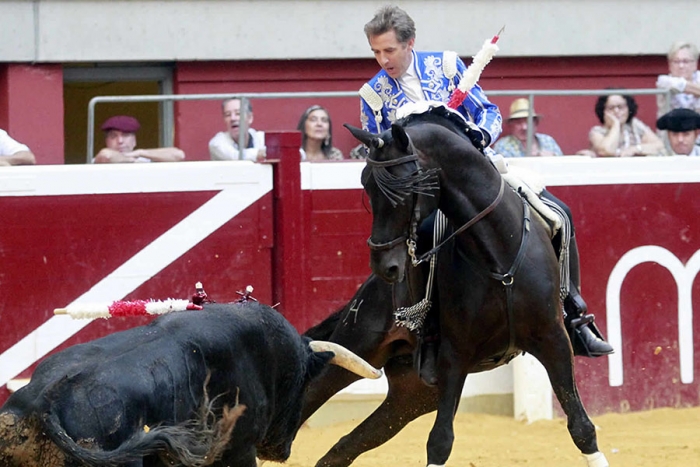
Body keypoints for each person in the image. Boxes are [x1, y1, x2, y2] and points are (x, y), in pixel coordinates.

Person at [360, 5, 612, 386]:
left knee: (558, 215)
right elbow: (381, 153)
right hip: (428, 194)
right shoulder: (373, 94)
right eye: (376, 52)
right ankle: (428, 336)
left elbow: (489, 112)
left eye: (389, 51)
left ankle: (574, 314)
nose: (383, 60)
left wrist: (480, 135)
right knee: (422, 241)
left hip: (476, 177)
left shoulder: (445, 67)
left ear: (410, 43)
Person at [588, 92, 665, 157]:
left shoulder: (634, 125)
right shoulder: (597, 132)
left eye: (620, 107)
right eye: (611, 108)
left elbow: (659, 145)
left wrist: (635, 149)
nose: (616, 111)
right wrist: (616, 125)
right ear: (603, 111)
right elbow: (606, 151)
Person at [94, 116, 185, 163]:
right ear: (107, 141)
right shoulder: (99, 159)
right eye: (113, 136)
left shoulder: (143, 158)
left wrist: (140, 153)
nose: (120, 141)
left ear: (134, 141)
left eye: (125, 135)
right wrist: (131, 160)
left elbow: (178, 155)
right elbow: (105, 156)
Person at [493, 98, 563, 157]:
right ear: (511, 125)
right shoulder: (503, 146)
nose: (524, 127)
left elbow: (563, 166)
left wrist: (553, 158)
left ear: (535, 123)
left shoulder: (548, 141)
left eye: (528, 121)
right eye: (518, 123)